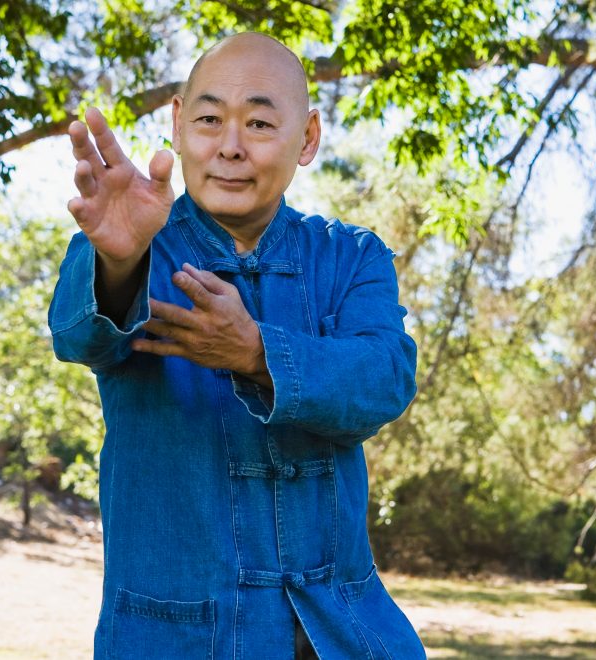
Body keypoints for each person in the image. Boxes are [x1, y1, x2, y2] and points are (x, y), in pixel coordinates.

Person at [48, 32, 425, 659]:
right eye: (208, 119)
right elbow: (77, 335)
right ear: (176, 123)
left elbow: (383, 378)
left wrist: (257, 353)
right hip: (175, 635)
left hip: (337, 635)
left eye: (257, 122)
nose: (229, 146)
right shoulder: (137, 242)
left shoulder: (352, 257)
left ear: (306, 139)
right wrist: (116, 263)